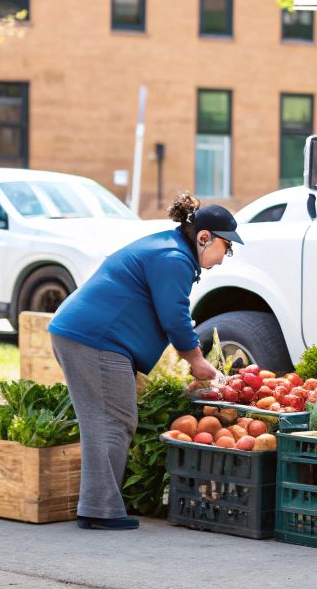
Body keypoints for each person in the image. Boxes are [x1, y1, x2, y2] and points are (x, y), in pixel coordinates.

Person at [48, 193, 239, 530]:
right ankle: (100, 511)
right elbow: (174, 316)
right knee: (113, 421)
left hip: (85, 334)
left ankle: (96, 507)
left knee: (102, 421)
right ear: (204, 237)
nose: (225, 258)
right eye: (226, 247)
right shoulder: (174, 257)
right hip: (97, 340)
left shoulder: (171, 249)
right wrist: (197, 361)